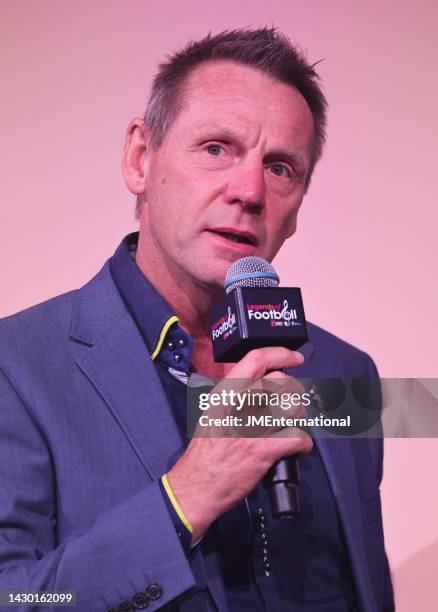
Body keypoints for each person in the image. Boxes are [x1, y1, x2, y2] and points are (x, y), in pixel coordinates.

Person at [0, 28, 394, 611]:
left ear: (296, 211)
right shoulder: (18, 366)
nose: (249, 190)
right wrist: (183, 500)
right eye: (216, 148)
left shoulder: (346, 371)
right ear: (140, 158)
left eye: (282, 168)